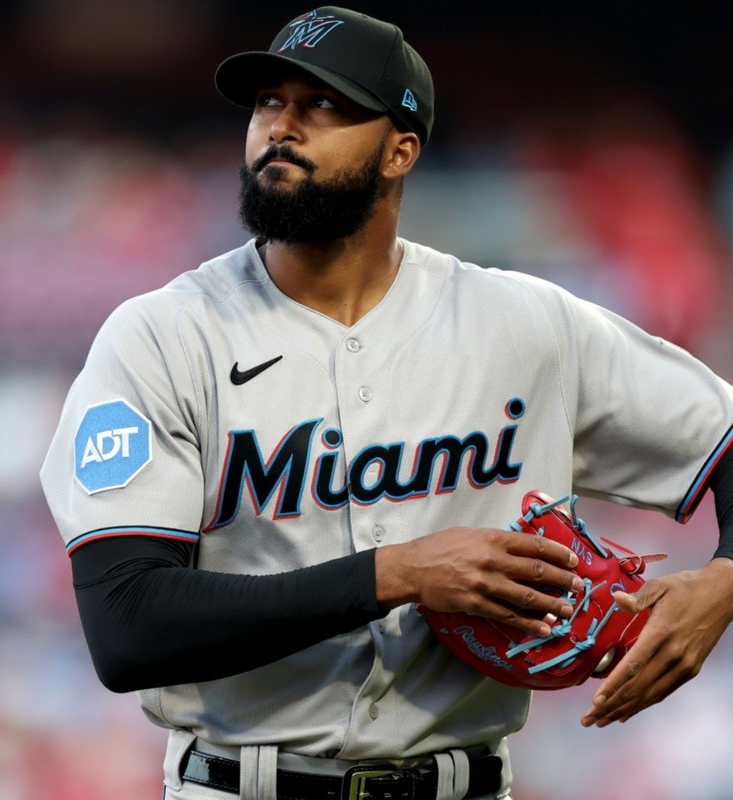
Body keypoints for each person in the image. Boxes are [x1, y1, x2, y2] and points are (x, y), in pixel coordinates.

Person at [40, 6, 733, 800]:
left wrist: (722, 583)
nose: (283, 127)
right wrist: (398, 572)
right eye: (270, 102)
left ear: (400, 148)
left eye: (325, 105)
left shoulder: (525, 325)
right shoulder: (163, 337)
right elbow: (129, 625)